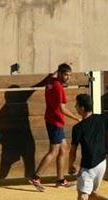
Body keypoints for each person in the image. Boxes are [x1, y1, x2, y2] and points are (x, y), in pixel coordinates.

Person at [29, 63, 81, 191]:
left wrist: (65, 64)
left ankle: (60, 180)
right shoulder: (59, 88)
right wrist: (78, 118)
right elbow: (62, 109)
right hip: (55, 122)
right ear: (60, 74)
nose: (68, 77)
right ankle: (35, 177)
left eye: (69, 75)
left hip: (51, 120)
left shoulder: (51, 80)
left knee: (64, 149)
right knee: (53, 151)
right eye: (66, 74)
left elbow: (52, 74)